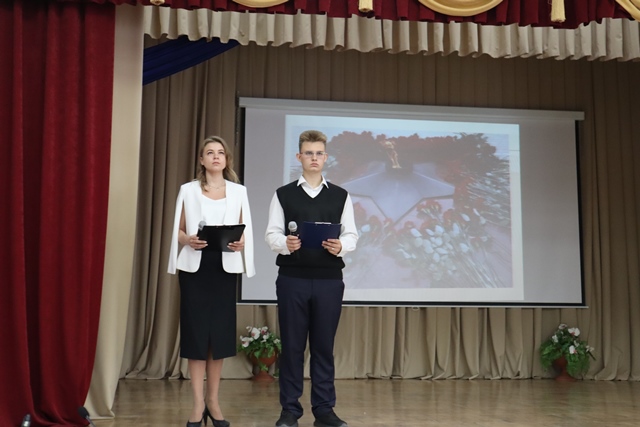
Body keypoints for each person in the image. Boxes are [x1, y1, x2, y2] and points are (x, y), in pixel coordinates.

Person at [265, 130, 358, 427]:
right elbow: (271, 234)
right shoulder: (283, 194)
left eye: (319, 153)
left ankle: (324, 410)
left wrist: (341, 245)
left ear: (326, 157)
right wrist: (285, 243)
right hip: (292, 279)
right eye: (308, 153)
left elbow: (352, 235)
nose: (314, 158)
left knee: (323, 347)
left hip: (329, 280)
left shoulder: (341, 195)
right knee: (292, 347)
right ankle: (290, 411)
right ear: (299, 157)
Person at [168, 136, 255, 427]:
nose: (216, 157)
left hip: (224, 269)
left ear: (226, 159)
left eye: (220, 153)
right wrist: (187, 240)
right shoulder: (188, 190)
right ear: (202, 160)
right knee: (196, 337)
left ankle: (213, 402)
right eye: (210, 152)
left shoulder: (239, 191)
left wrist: (241, 243)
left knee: (218, 337)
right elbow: (178, 230)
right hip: (195, 269)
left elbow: (244, 230)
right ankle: (197, 405)